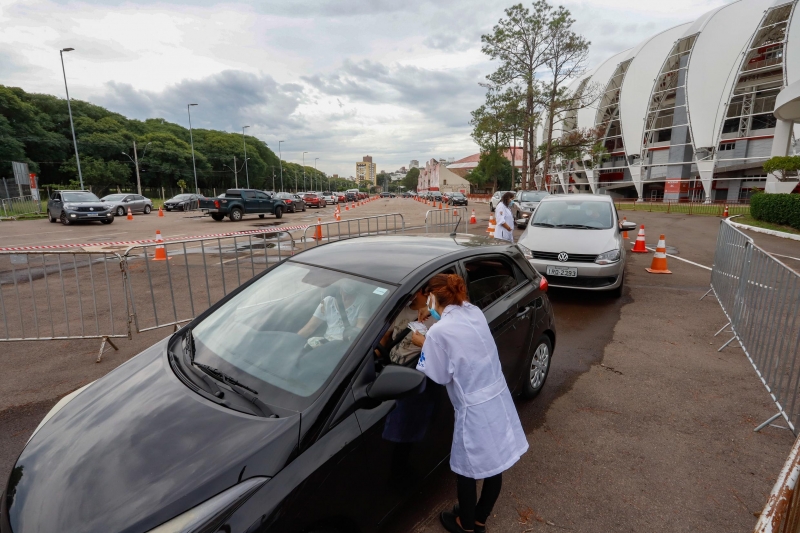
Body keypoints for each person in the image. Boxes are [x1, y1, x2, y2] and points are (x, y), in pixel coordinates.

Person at [414, 273, 528, 533]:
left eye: (427, 298)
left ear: (432, 297)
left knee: (466, 468)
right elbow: (456, 330)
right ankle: (478, 518)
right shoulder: (472, 310)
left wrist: (425, 342)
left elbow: (440, 374)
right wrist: (432, 316)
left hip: (474, 408)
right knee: (494, 461)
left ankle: (465, 526)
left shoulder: (439, 333)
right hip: (497, 398)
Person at [298, 278, 369, 344]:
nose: (350, 283)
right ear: (340, 282)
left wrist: (349, 345)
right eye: (347, 280)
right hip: (327, 343)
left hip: (345, 346)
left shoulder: (362, 301)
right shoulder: (326, 301)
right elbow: (310, 327)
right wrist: (294, 342)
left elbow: (359, 328)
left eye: (352, 280)